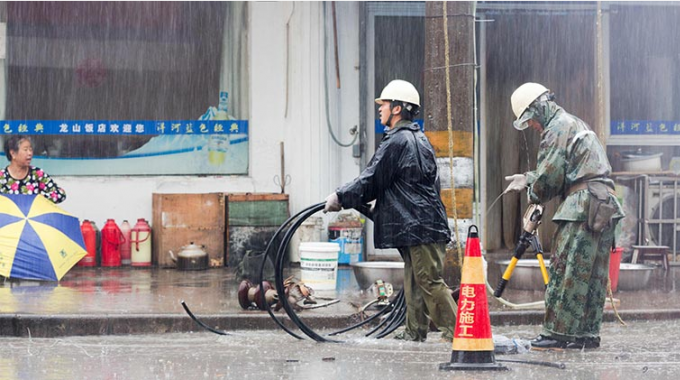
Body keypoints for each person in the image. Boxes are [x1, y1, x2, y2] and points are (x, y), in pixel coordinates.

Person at [324, 79, 457, 342]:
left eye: (383, 104)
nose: (380, 109)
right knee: (416, 280)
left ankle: (463, 335)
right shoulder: (418, 140)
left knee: (428, 281)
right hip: (420, 225)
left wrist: (340, 196)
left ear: (397, 108)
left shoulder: (398, 141)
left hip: (419, 226)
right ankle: (414, 331)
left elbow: (371, 180)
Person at [504, 82, 624, 350]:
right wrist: (528, 177)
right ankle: (586, 335)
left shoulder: (556, 127)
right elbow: (567, 168)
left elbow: (549, 179)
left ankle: (556, 335)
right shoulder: (576, 123)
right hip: (604, 204)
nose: (533, 126)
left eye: (532, 119)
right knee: (592, 274)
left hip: (582, 206)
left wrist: (532, 188)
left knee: (566, 270)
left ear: (540, 106)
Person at [1, 135, 66, 203]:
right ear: (13, 153)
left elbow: (60, 194)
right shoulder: (1, 177)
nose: (30, 153)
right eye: (25, 150)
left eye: (30, 149)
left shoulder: (37, 174)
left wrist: (38, 198)